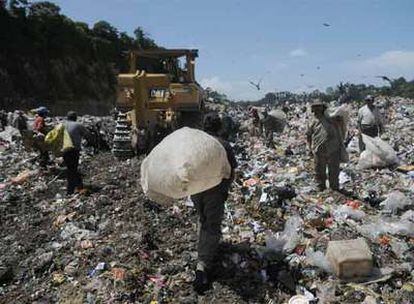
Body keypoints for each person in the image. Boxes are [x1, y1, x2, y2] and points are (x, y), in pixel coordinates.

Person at [191, 113, 237, 294]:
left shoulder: (196, 144)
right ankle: (202, 267)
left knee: (202, 219)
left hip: (196, 190)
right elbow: (231, 170)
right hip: (214, 191)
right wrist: (225, 189)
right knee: (212, 225)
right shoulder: (223, 145)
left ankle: (203, 248)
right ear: (219, 127)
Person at [306, 100, 342, 191]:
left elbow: (341, 124)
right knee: (319, 170)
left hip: (333, 148)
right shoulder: (312, 121)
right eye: (315, 107)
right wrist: (309, 148)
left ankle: (334, 188)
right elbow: (308, 135)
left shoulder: (330, 118)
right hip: (319, 149)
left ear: (323, 108)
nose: (317, 109)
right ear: (312, 109)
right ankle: (321, 187)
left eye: (319, 106)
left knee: (334, 170)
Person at [63, 111, 90, 195]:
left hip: (64, 150)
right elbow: (87, 135)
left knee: (70, 168)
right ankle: (71, 190)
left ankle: (78, 186)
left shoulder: (62, 125)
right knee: (72, 169)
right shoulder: (78, 125)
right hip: (74, 150)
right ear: (75, 118)